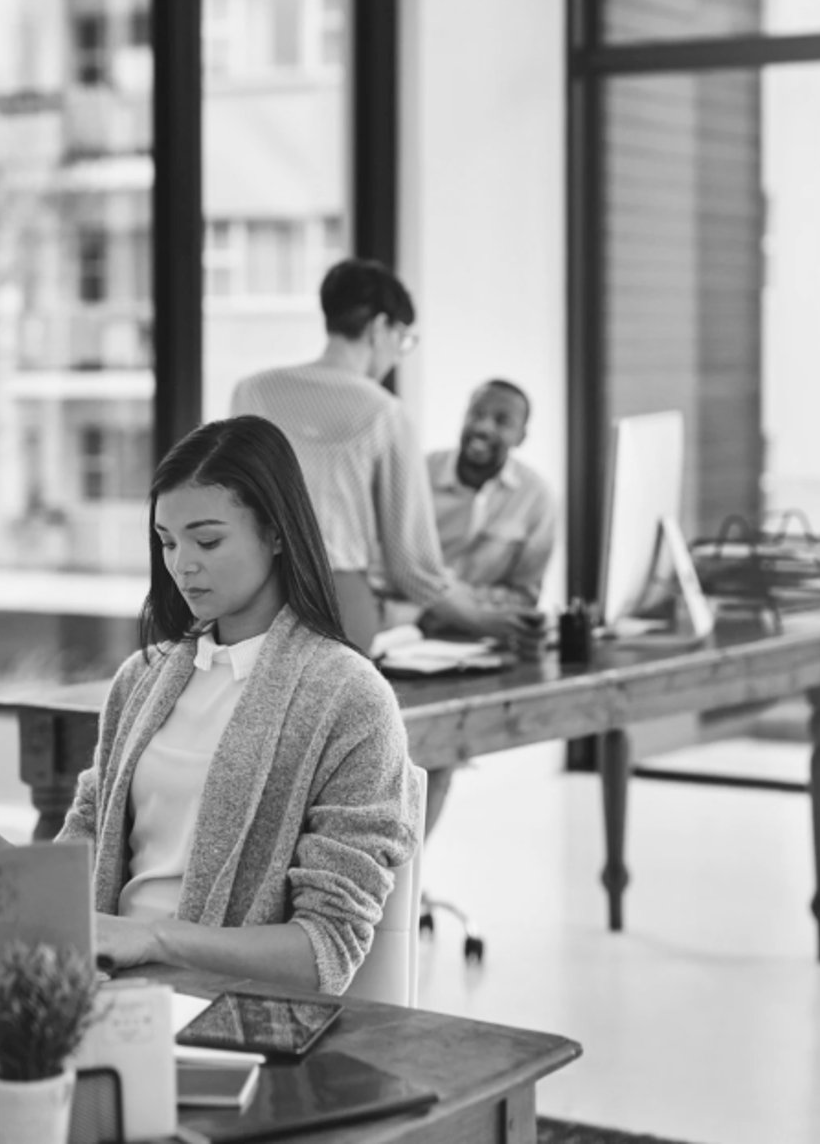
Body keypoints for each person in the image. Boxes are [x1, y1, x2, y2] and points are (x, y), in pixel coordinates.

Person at [53, 415, 421, 996]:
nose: (182, 565)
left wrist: (151, 939)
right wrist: (20, 884)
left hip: (228, 1012)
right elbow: (83, 845)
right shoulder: (141, 680)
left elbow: (326, 949)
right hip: (107, 991)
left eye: (208, 540)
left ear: (276, 534)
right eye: (168, 543)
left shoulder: (350, 698)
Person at [230, 258, 542, 654]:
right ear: (380, 328)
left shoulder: (251, 392)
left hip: (252, 599)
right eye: (402, 340)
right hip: (338, 603)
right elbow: (412, 568)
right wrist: (484, 620)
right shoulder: (386, 414)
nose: (397, 355)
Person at [421, 378, 556, 629]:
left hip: (484, 637)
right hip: (411, 632)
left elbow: (525, 597)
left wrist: (454, 606)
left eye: (502, 420)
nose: (483, 427)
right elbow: (391, 572)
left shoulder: (537, 496)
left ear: (521, 436)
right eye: (477, 414)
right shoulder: (418, 474)